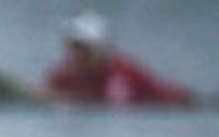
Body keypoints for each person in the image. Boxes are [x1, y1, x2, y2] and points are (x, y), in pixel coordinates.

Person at [42, 11, 193, 107]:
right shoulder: (63, 72)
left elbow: (115, 105)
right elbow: (48, 93)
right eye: (73, 47)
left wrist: (63, 98)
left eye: (83, 48)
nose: (77, 54)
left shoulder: (119, 73)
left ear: (98, 49)